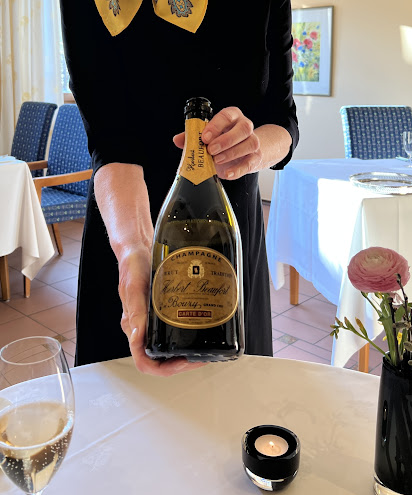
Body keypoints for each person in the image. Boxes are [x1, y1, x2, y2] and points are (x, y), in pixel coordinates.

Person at [59, 0, 299, 376]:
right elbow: (110, 143)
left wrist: (251, 149)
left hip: (229, 233)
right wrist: (133, 252)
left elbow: (283, 123)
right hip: (128, 226)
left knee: (232, 400)